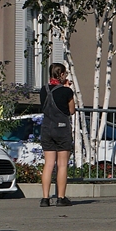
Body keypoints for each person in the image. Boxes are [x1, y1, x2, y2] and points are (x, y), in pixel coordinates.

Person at [39, 63, 76, 207]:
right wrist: (67, 89)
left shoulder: (44, 90)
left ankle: (45, 198)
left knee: (48, 164)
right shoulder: (67, 92)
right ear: (61, 75)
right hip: (61, 129)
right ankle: (61, 197)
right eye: (65, 74)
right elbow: (71, 110)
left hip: (47, 128)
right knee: (62, 164)